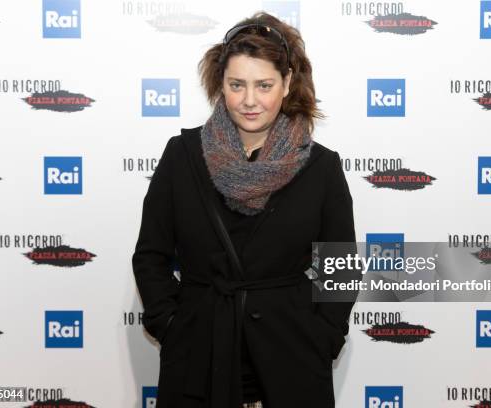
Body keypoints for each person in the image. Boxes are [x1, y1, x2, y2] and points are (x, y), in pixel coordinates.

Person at [132, 11, 357, 408]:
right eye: (237, 85)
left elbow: (339, 266)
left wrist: (323, 338)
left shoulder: (321, 166)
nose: (249, 100)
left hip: (292, 355)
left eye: (264, 85)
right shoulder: (183, 156)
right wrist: (171, 325)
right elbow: (151, 255)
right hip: (200, 351)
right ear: (221, 85)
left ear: (287, 83)